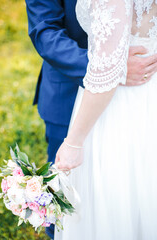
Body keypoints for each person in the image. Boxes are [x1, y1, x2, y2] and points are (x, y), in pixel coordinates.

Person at [24, 0, 157, 239]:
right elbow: (44, 30)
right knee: (69, 195)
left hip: (142, 89)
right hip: (67, 89)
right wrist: (110, 66)